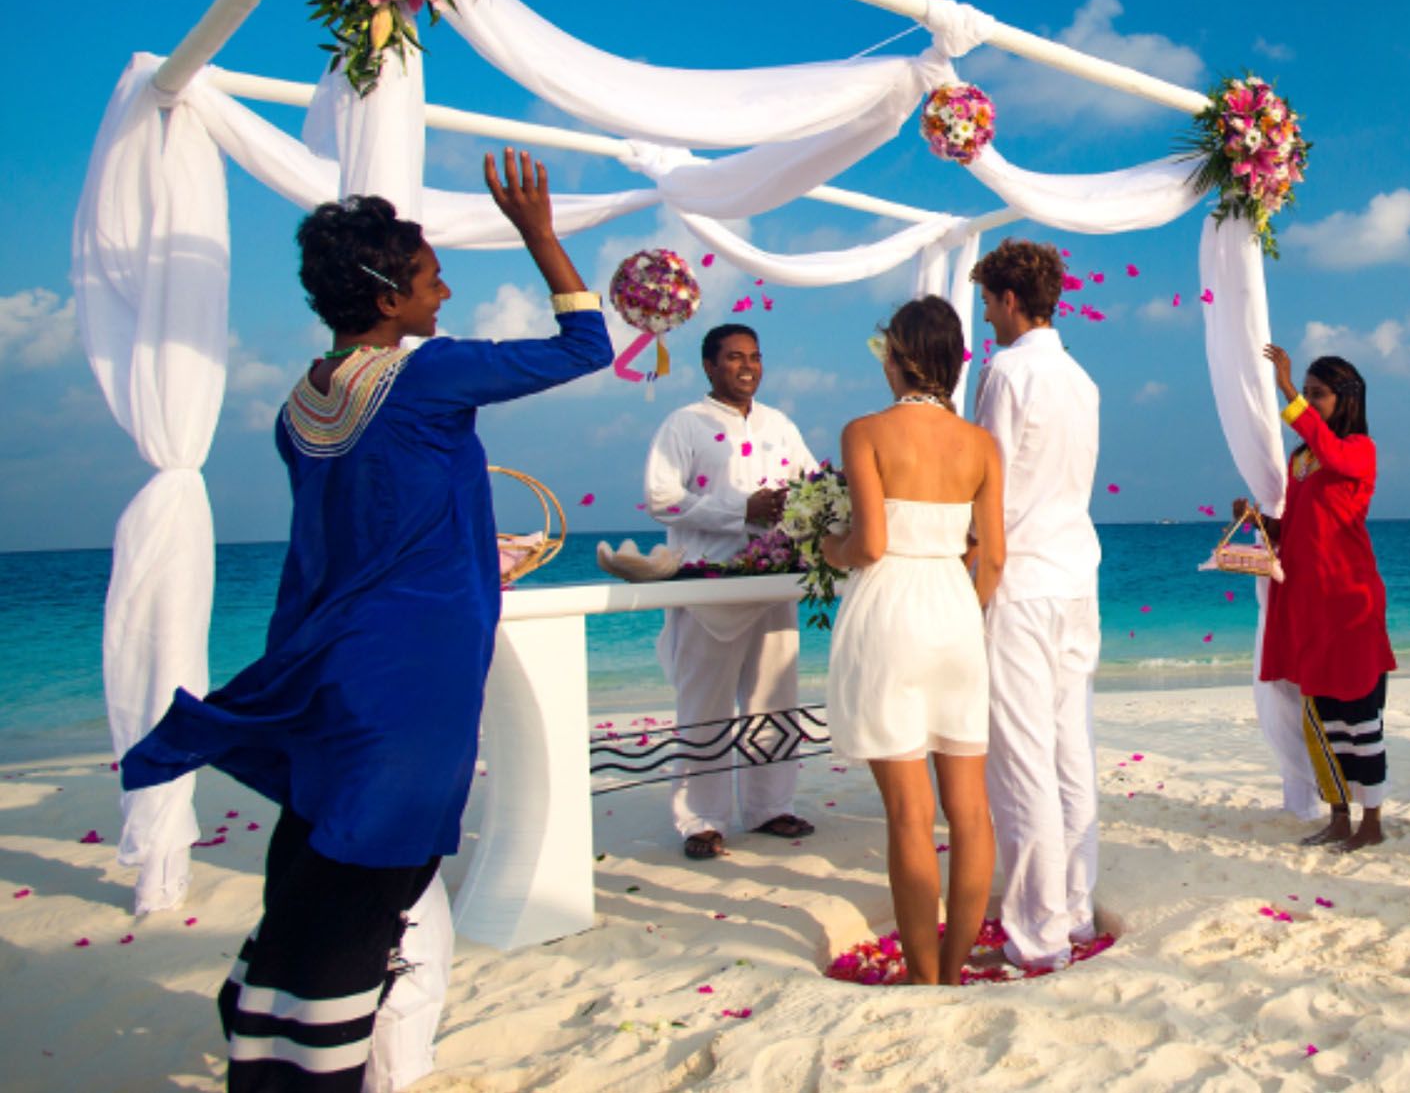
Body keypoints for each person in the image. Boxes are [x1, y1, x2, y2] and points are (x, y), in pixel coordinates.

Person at [119, 151, 609, 1091]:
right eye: (431, 278)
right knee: (370, 884)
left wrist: (466, 548)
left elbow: (352, 541)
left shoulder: (300, 404)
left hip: (339, 670)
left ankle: (279, 1047)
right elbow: (586, 347)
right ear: (388, 299)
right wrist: (538, 235)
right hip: (409, 686)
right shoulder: (426, 377)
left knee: (321, 866)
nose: (445, 291)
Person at [821, 296, 1004, 985]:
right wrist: (960, 610)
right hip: (954, 614)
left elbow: (870, 544)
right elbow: (993, 558)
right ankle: (954, 969)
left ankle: (923, 975)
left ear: (898, 358)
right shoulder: (980, 444)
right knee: (971, 811)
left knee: (909, 813)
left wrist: (829, 546)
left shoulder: (865, 432)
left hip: (891, 610)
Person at [969, 240, 1105, 971]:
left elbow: (987, 483)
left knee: (1022, 759)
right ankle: (1075, 907)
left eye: (989, 303)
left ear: (1012, 300)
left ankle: (1037, 932)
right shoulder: (1082, 379)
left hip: (1021, 578)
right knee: (1069, 748)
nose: (987, 317)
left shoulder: (1008, 371)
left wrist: (970, 577)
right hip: (1076, 574)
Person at [643, 323, 820, 860]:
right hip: (709, 584)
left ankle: (770, 807)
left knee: (774, 698)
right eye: (735, 357)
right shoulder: (684, 424)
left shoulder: (779, 424)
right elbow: (661, 498)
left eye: (755, 357)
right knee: (705, 703)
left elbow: (813, 484)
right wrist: (739, 510)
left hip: (772, 579)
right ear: (709, 365)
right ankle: (701, 820)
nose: (748, 367)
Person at [1237, 345, 1398, 853]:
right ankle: (1339, 816)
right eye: (1305, 392)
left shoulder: (1358, 450)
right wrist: (1259, 522)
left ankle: (1372, 821)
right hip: (1309, 604)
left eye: (1317, 394)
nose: (1308, 400)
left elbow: (1333, 454)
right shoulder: (1301, 459)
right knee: (1324, 721)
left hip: (1350, 602)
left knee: (1360, 717)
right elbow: (1295, 528)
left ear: (1345, 398)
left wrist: (1286, 390)